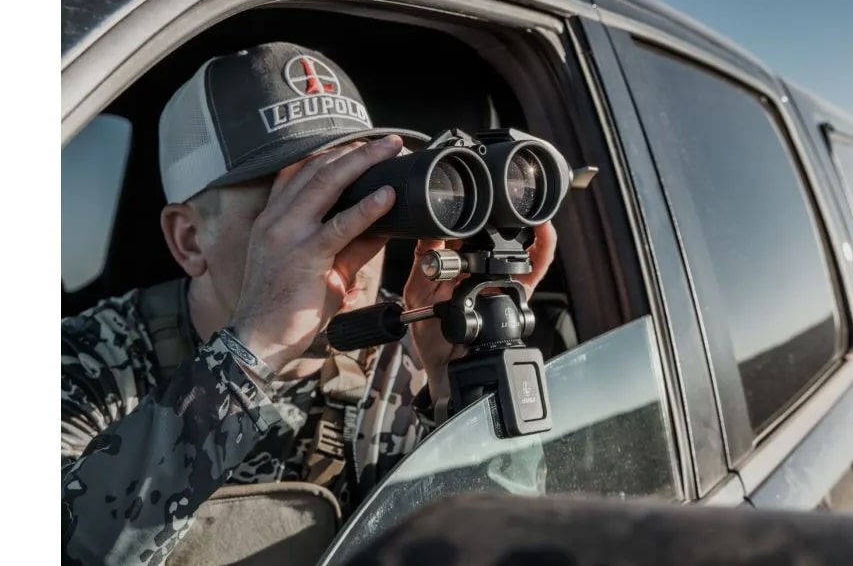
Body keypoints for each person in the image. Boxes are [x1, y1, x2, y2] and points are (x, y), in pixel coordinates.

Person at [61, 41, 557, 565]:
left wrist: (462, 385)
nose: (341, 240)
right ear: (188, 238)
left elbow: (499, 551)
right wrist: (256, 347)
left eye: (360, 199)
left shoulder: (403, 354)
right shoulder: (87, 361)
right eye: (296, 206)